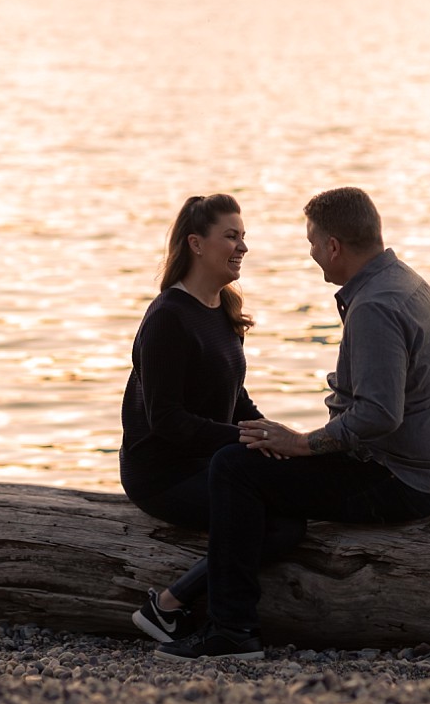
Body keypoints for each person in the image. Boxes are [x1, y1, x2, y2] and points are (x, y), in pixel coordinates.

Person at [156, 186, 430, 662]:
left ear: (335, 246)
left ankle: (231, 631)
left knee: (235, 468)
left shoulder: (375, 307)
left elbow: (380, 416)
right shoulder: (403, 283)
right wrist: (300, 443)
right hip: (426, 469)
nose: (314, 254)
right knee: (259, 459)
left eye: (313, 244)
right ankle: (187, 603)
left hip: (399, 479)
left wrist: (303, 445)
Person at [121, 193, 304, 644]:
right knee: (278, 524)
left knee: (295, 502)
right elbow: (166, 421)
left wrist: (271, 437)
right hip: (163, 473)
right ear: (196, 244)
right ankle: (167, 605)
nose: (242, 247)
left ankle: (170, 606)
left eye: (243, 238)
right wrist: (243, 443)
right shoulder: (168, 318)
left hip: (211, 462)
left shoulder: (221, 308)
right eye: (231, 237)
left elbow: (234, 395)